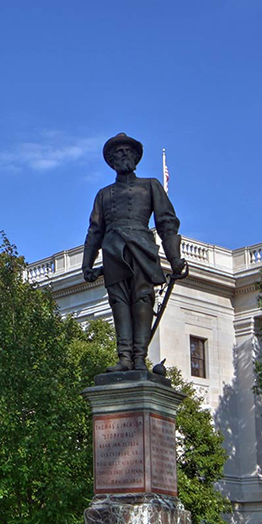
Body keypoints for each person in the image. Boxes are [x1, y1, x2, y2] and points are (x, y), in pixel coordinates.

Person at [81, 133, 187, 372]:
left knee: (142, 300)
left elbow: (167, 223)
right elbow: (95, 230)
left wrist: (175, 259)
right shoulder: (103, 194)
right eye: (118, 152)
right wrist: (86, 264)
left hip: (142, 248)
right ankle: (124, 358)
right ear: (111, 160)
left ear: (136, 157)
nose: (124, 155)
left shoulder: (150, 185)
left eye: (128, 151)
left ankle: (139, 357)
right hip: (113, 252)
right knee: (119, 303)